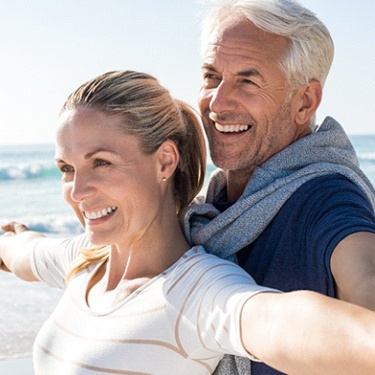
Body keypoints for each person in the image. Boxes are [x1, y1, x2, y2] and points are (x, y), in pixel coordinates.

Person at [3, 70, 375, 375]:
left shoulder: (198, 291)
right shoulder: (84, 260)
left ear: (165, 161)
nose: (77, 191)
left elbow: (277, 322)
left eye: (101, 163)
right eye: (67, 169)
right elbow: (23, 250)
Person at [180, 0, 375, 374]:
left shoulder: (326, 198)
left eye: (248, 80)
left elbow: (364, 272)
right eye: (211, 76)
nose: (217, 102)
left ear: (304, 102)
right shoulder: (212, 206)